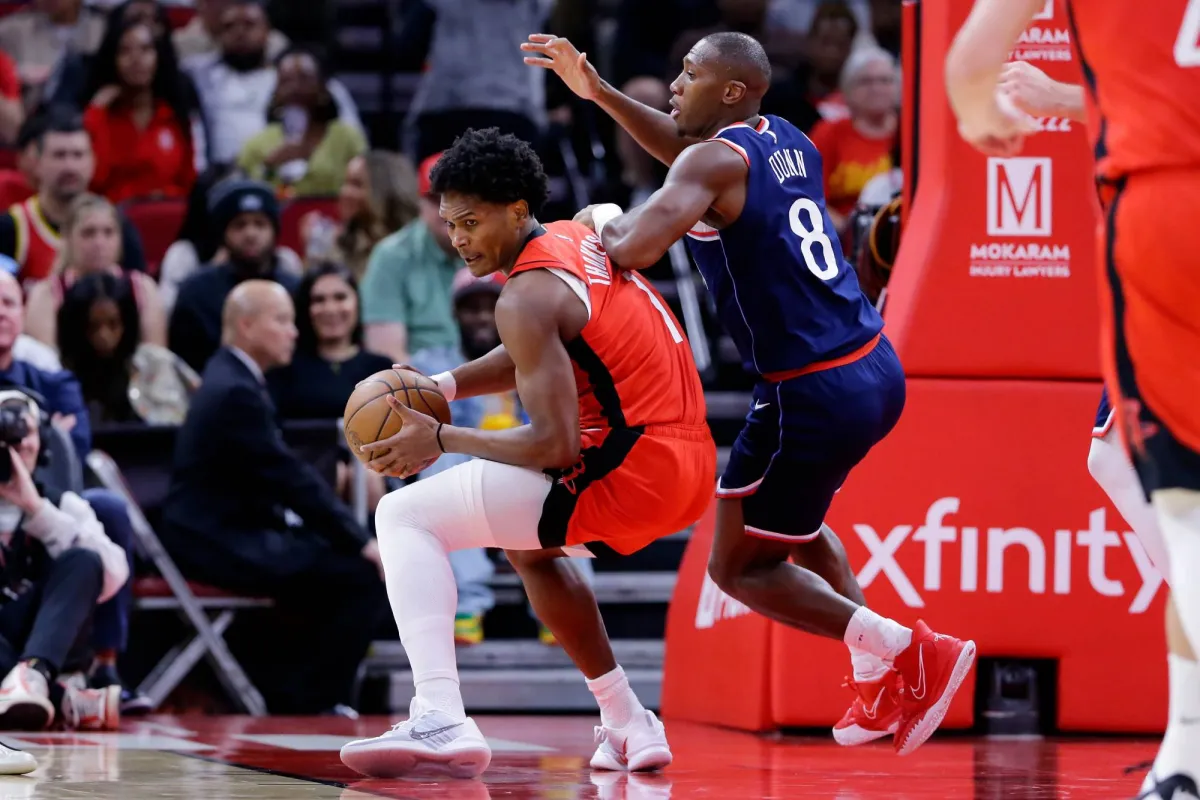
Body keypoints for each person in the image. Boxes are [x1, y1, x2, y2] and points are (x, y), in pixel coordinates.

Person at [524, 31, 974, 755]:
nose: (675, 83)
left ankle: (911, 651)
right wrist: (600, 92)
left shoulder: (709, 163)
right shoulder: (789, 138)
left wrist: (598, 220)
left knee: (739, 568)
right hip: (868, 363)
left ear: (731, 90)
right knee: (791, 522)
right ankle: (877, 674)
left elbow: (632, 247)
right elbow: (687, 149)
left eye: (689, 72)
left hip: (809, 389)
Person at [339, 129, 715, 778]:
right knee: (528, 548)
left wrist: (442, 438)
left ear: (516, 210)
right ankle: (627, 720)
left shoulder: (525, 295)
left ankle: (439, 715)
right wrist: (444, 387)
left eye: (471, 222)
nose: (458, 239)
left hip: (628, 467)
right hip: (686, 463)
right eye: (450, 223)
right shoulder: (573, 237)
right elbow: (533, 351)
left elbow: (554, 445)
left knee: (403, 516)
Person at [946, 14, 1200, 792]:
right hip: (1159, 200)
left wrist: (998, 111)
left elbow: (969, 67)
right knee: (1124, 466)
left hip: (1166, 212)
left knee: (1180, 507)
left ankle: (1185, 759)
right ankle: (1184, 755)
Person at [161, 280, 387, 715]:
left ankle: (294, 691)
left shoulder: (232, 377)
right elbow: (289, 479)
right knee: (359, 574)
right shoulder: (236, 390)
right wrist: (360, 540)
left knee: (327, 561)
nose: (294, 331)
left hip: (217, 530)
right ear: (247, 325)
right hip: (213, 540)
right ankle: (311, 702)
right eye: (282, 320)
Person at [0, 388, 128, 733]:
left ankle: (32, 677)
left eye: (25, 432)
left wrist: (38, 511)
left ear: (42, 441)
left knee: (85, 559)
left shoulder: (65, 505)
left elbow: (113, 574)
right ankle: (62, 699)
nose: (17, 445)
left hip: (44, 639)